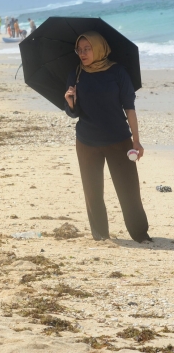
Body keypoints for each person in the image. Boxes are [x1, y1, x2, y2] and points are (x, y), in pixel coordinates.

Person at [64, 31, 152, 243]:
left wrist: (136, 140)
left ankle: (140, 233)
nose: (82, 53)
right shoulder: (76, 74)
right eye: (79, 50)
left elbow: (129, 107)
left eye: (87, 49)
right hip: (86, 142)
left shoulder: (117, 72)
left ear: (99, 48)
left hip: (118, 141)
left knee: (129, 190)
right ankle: (100, 235)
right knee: (93, 193)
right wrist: (70, 102)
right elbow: (73, 113)